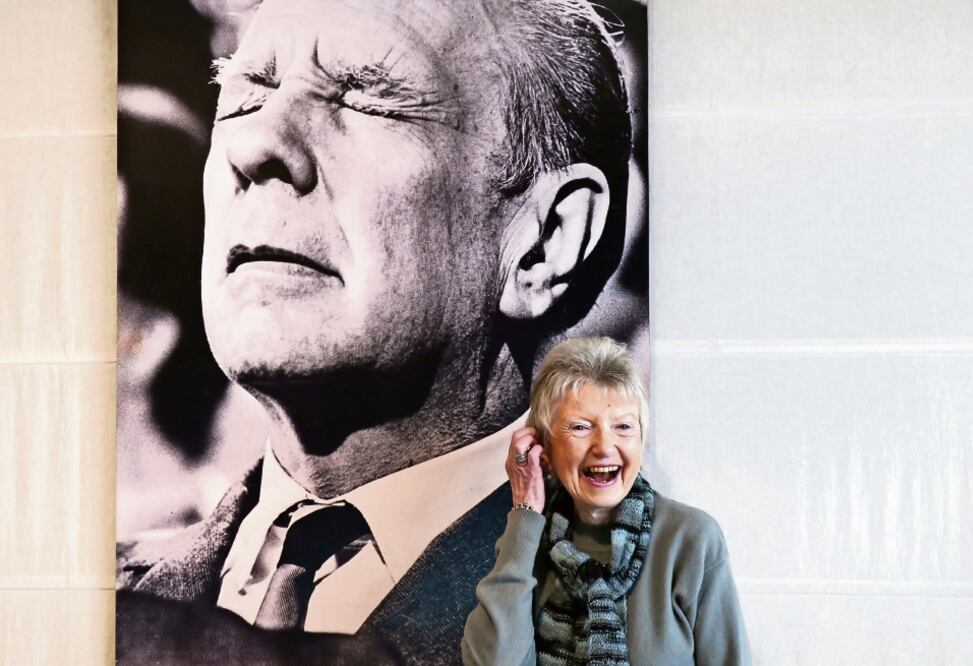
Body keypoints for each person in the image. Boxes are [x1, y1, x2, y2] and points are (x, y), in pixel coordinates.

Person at [116, 0, 643, 662]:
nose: (254, 146)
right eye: (246, 96)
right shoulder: (74, 606)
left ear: (545, 243)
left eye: (367, 99)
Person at [462, 337, 750, 665]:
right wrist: (524, 512)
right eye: (581, 427)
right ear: (545, 449)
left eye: (623, 426)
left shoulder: (691, 539)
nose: (604, 446)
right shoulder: (525, 543)